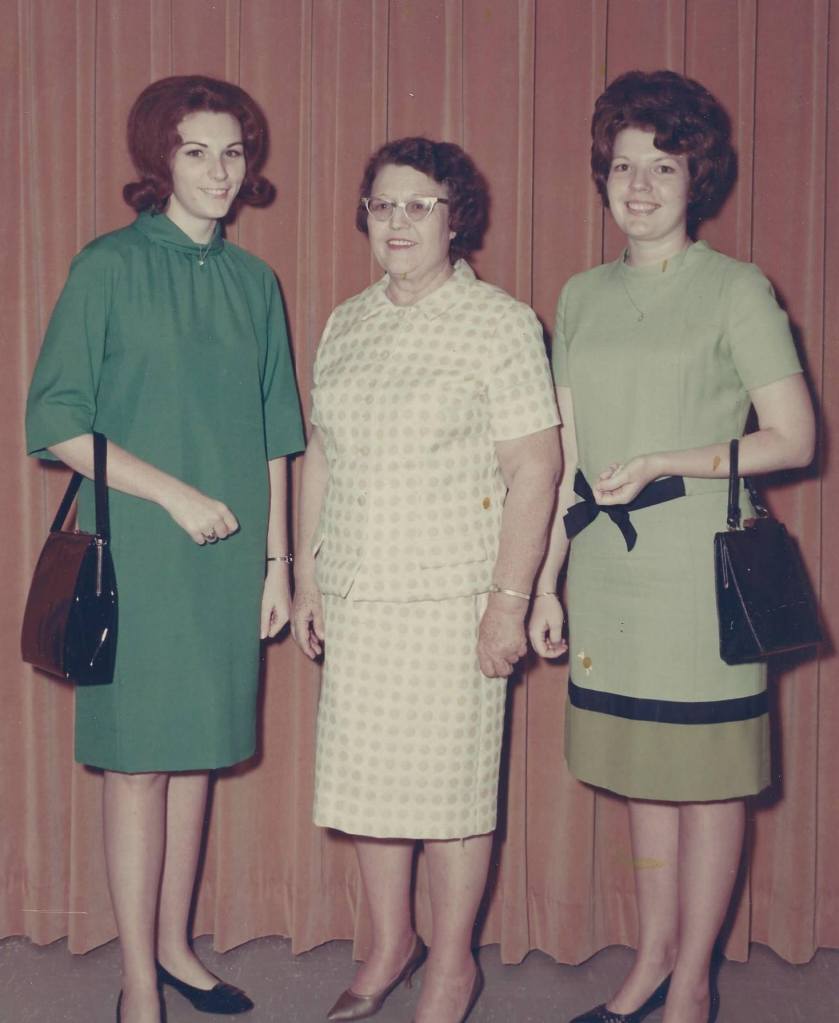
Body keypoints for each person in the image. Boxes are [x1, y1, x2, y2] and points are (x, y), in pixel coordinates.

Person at [530, 69, 816, 1023]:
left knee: (707, 785)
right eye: (622, 166)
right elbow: (567, 454)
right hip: (607, 571)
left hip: (700, 573)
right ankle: (649, 957)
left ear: (700, 178)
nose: (640, 185)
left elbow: (793, 437)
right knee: (640, 776)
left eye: (663, 165)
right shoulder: (577, 295)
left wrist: (669, 459)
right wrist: (542, 582)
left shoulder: (737, 289)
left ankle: (692, 980)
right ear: (601, 177)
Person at [25, 75, 304, 1023]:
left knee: (198, 758)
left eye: (234, 150)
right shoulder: (106, 266)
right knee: (141, 762)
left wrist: (280, 564)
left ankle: (179, 947)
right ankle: (139, 982)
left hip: (229, 561)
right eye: (197, 150)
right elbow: (56, 421)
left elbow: (277, 436)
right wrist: (174, 493)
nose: (220, 170)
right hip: (136, 549)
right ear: (160, 160)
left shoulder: (253, 281)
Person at [291, 136, 561, 1023]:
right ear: (363, 216)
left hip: (454, 597)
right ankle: (388, 942)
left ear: (456, 218)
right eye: (382, 204)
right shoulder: (347, 321)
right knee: (371, 786)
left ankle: (450, 964)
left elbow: (535, 467)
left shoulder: (499, 322)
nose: (397, 222)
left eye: (419, 205)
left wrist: (508, 602)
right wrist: (307, 575)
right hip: (362, 591)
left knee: (448, 795)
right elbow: (321, 454)